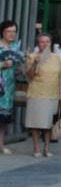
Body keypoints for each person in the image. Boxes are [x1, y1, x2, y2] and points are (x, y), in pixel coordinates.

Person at [25, 33, 61, 158]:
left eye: (47, 42)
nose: (45, 44)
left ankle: (46, 148)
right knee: (36, 123)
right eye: (42, 42)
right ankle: (36, 148)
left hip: (52, 94)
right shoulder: (32, 56)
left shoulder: (56, 57)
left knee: (48, 124)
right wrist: (35, 63)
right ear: (38, 44)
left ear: (51, 43)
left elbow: (60, 76)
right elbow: (29, 76)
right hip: (37, 93)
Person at [0, 20, 24, 155]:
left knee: (3, 119)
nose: (11, 34)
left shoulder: (15, 47)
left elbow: (18, 67)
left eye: (14, 31)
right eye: (8, 31)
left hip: (8, 87)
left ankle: (1, 144)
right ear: (2, 32)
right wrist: (3, 64)